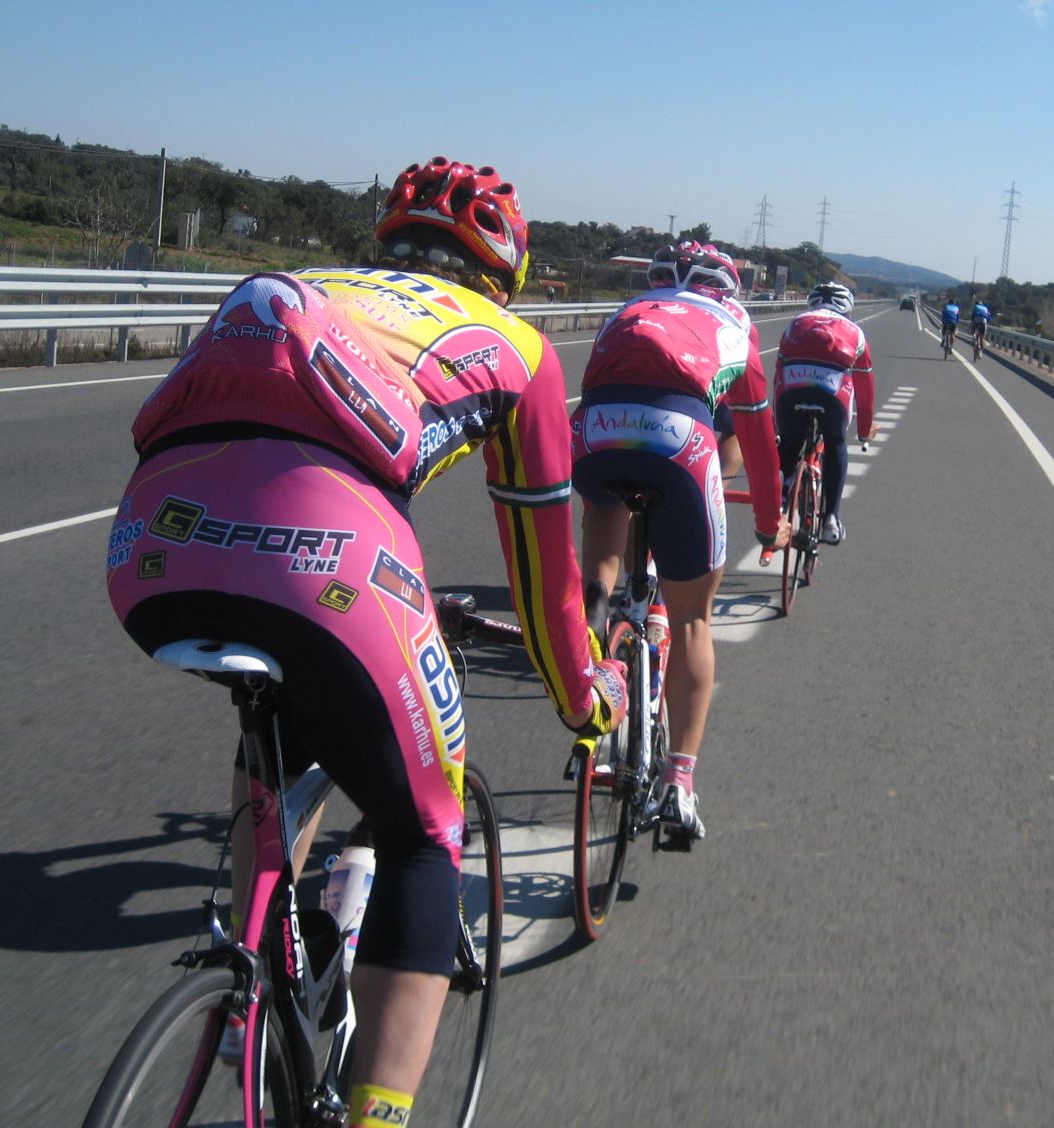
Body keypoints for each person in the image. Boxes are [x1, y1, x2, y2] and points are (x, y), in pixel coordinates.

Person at [105, 155, 627, 1128]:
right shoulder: (517, 344)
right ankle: (375, 1112)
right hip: (331, 567)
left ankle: (255, 986)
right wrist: (581, 698)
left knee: (288, 720)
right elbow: (546, 583)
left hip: (147, 548)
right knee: (425, 834)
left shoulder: (315, 287)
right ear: (506, 268)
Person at [571, 240, 789, 841]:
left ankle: (596, 619)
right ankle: (679, 784)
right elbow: (759, 445)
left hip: (593, 433)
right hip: (679, 437)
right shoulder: (735, 324)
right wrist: (768, 525)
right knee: (693, 619)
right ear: (728, 290)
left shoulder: (629, 311)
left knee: (605, 512)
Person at [773, 281, 877, 546]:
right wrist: (864, 431)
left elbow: (777, 376)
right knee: (836, 442)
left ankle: (779, 499)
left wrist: (777, 424)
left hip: (791, 391)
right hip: (832, 396)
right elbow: (865, 391)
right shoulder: (856, 332)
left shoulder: (795, 323)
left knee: (789, 442)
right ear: (848, 308)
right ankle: (831, 518)